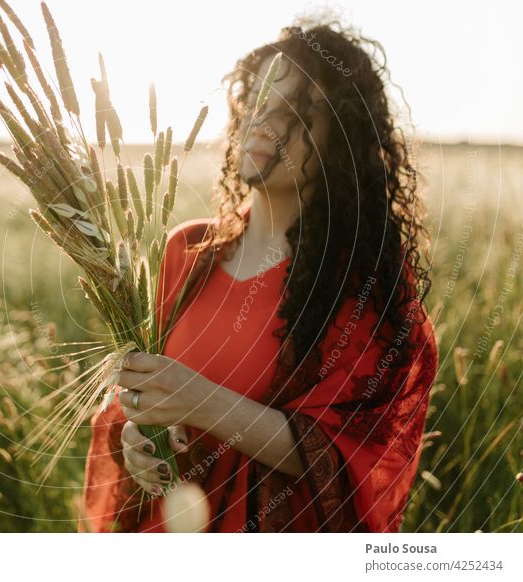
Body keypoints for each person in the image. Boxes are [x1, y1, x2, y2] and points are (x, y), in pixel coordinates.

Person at [79, 13, 439, 533]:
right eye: (258, 100)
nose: (263, 121)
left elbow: (355, 454)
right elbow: (135, 395)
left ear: (340, 142)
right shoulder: (188, 250)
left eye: (296, 109)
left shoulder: (359, 285)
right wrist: (135, 441)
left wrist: (201, 401)